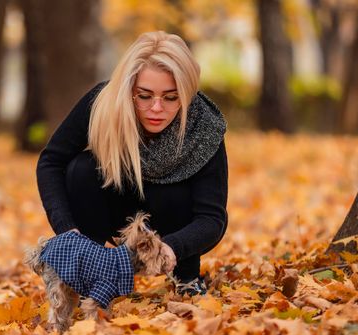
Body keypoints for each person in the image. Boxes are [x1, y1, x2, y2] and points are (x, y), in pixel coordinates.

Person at [37, 31, 228, 296]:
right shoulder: (104, 103)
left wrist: (172, 246)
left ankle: (186, 278)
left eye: (171, 97)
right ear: (130, 89)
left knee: (176, 191)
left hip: (172, 219)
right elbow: (51, 161)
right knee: (81, 167)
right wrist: (67, 229)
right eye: (145, 96)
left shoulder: (204, 128)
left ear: (186, 94)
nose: (157, 108)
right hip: (117, 207)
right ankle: (89, 271)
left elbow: (212, 218)